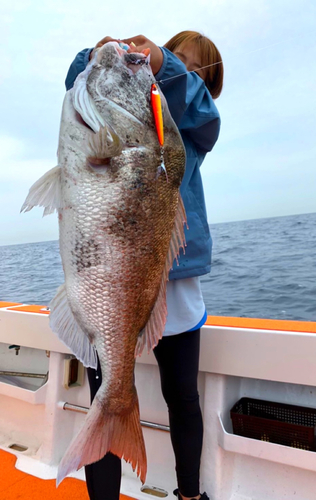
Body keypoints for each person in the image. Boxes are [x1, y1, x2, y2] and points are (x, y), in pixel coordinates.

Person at [65, 31, 223, 500]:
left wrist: (166, 63)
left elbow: (203, 112)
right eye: (172, 63)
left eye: (192, 70)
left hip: (175, 290)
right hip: (110, 282)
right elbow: (79, 84)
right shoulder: (125, 123)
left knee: (183, 396)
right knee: (106, 393)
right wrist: (96, 55)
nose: (178, 72)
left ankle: (190, 494)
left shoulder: (193, 134)